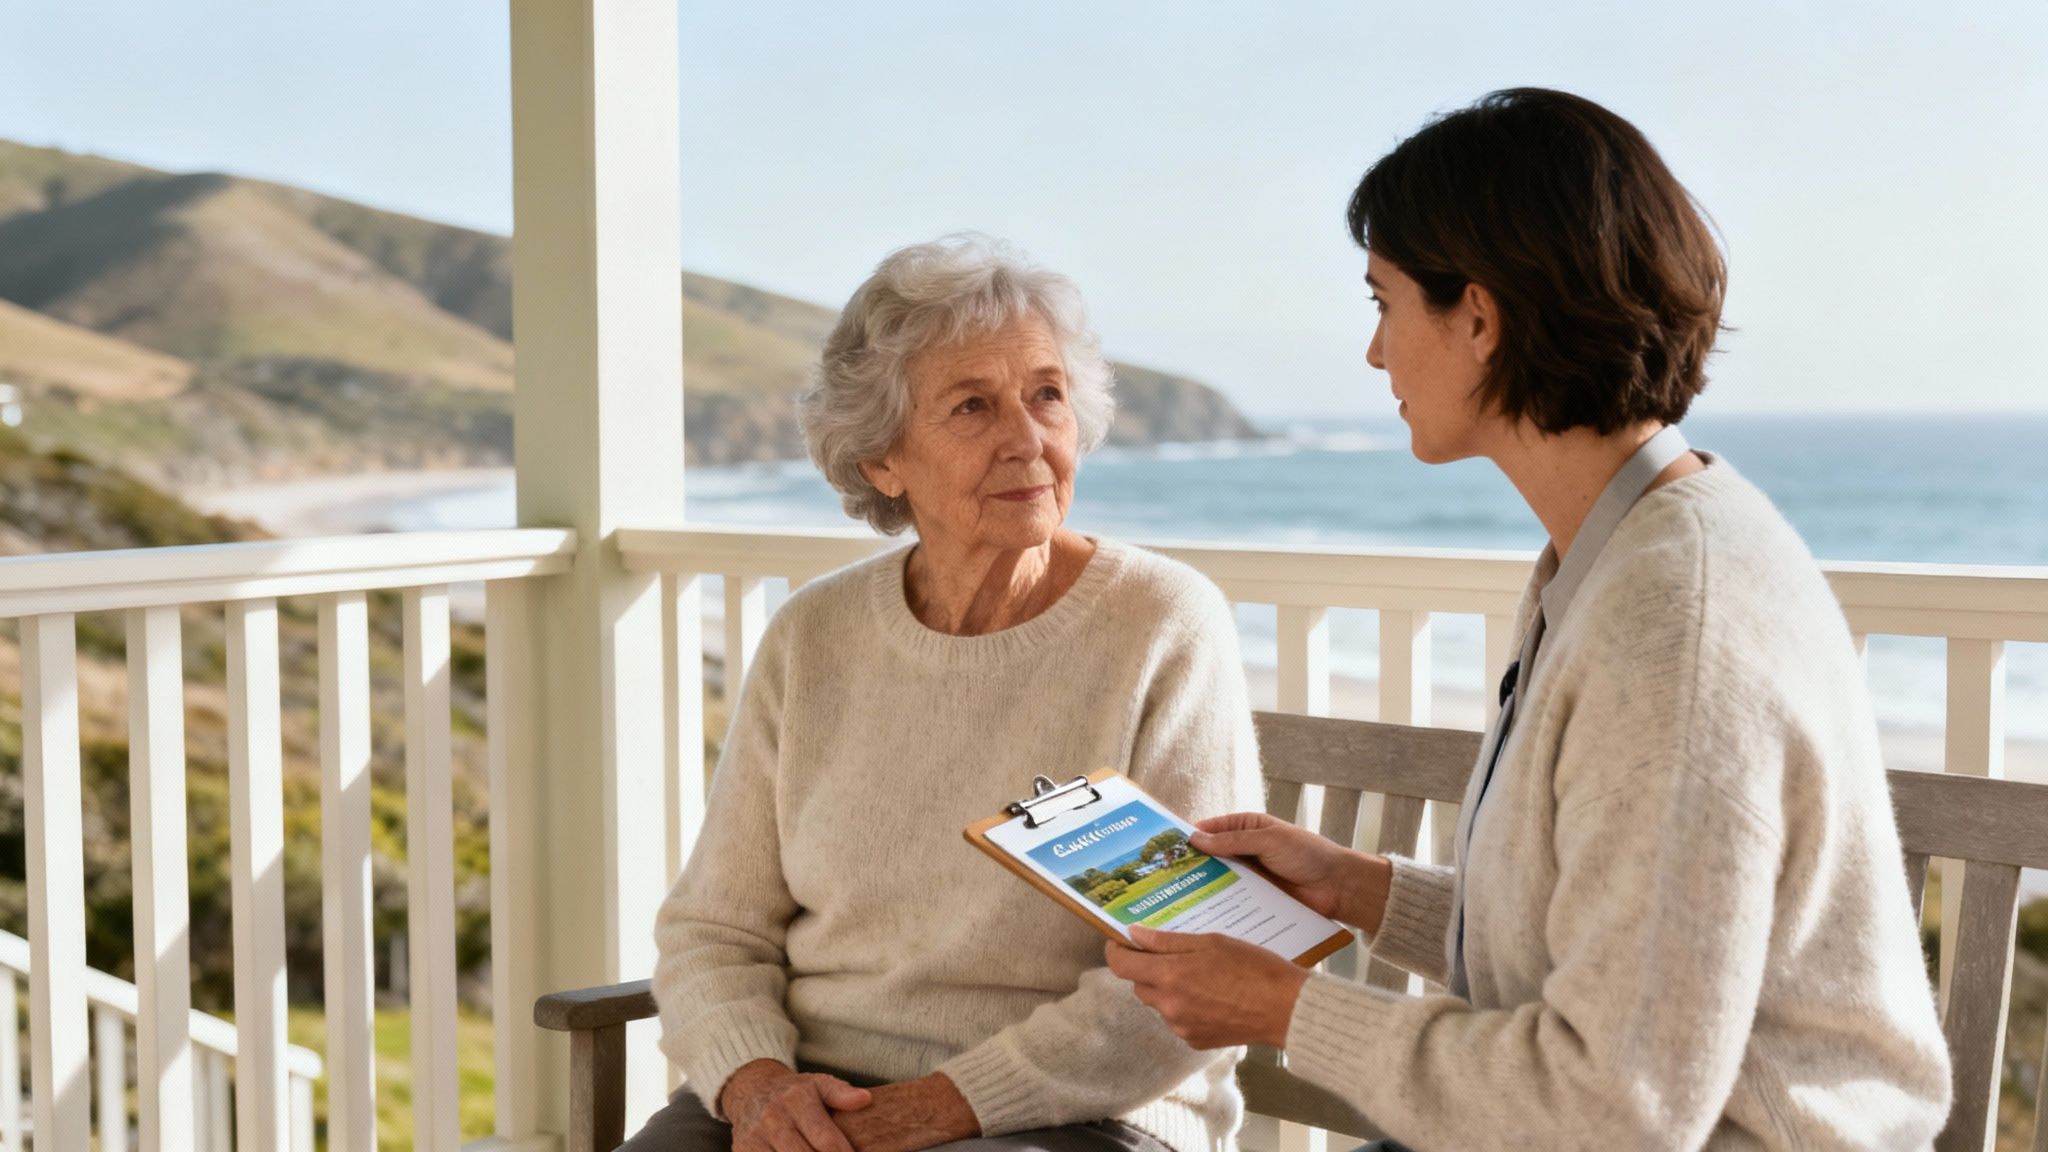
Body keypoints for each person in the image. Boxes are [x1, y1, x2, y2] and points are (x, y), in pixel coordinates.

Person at [1106, 89, 1952, 1149]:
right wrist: (1359, 890)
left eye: (1381, 302)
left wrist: (1283, 1010)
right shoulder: (1623, 545)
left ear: (1476, 314)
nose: (1373, 355)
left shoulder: (1670, 625)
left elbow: (1614, 1108)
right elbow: (1627, 953)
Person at [625, 235, 1264, 1152]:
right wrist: (757, 1082)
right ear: (883, 460)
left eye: (1047, 395)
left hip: (1076, 1112)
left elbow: (1181, 971)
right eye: (973, 405)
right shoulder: (815, 636)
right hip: (809, 1099)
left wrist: (936, 1108)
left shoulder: (1161, 622)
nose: (1029, 440)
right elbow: (715, 928)